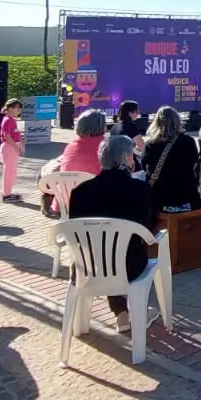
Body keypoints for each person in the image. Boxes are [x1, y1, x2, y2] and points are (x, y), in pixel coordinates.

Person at [64, 133, 156, 332]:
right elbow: (147, 228)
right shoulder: (139, 189)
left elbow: (76, 231)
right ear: (127, 158)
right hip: (129, 266)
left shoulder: (80, 191)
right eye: (132, 155)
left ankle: (121, 312)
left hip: (87, 266)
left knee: (104, 252)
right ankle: (136, 312)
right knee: (119, 253)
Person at [141, 106, 201, 216]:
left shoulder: (151, 144)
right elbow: (193, 163)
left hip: (160, 200)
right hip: (187, 198)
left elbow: (144, 166)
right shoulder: (188, 141)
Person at [0, 99, 25, 203]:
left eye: (20, 108)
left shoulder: (12, 120)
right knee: (9, 171)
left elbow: (15, 134)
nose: (19, 111)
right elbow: (7, 137)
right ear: (10, 108)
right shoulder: (7, 120)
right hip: (9, 147)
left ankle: (8, 192)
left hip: (12, 147)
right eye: (17, 108)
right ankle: (6, 194)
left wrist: (21, 143)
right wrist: (17, 148)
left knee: (12, 171)